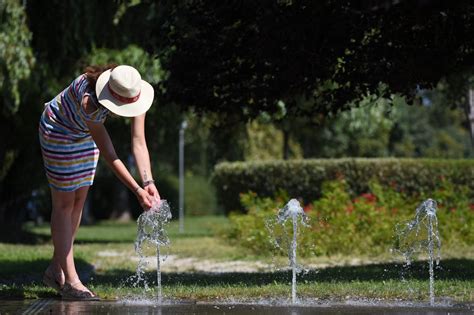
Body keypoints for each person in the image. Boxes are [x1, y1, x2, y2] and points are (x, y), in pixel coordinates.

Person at [38, 64, 160, 300]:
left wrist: (148, 181)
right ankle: (71, 282)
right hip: (58, 131)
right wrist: (136, 190)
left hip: (83, 135)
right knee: (64, 204)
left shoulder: (133, 89)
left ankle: (55, 268)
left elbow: (139, 142)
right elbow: (110, 154)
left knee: (78, 202)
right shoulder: (89, 102)